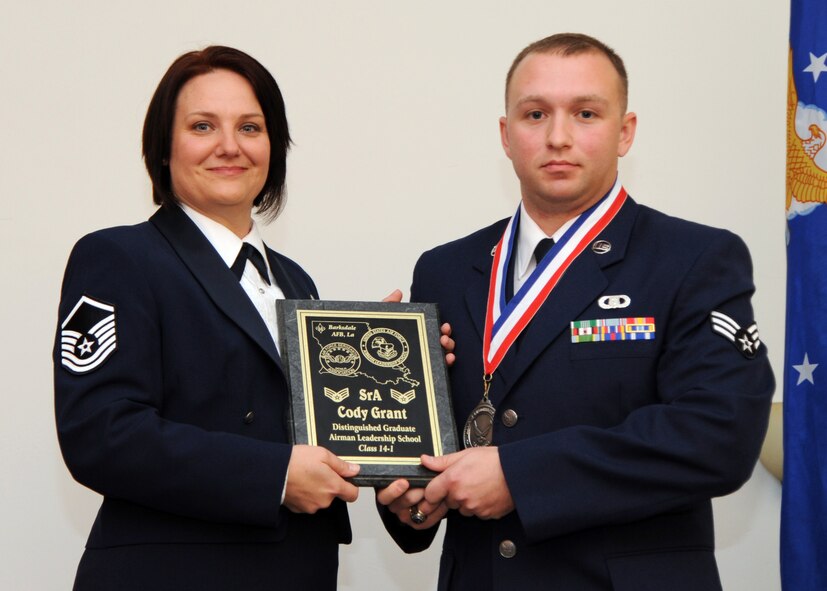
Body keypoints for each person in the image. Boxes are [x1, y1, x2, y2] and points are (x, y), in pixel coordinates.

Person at [377, 33, 774, 590]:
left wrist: (519, 477)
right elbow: (432, 445)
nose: (558, 137)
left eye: (585, 113)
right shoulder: (445, 269)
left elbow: (718, 436)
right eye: (535, 114)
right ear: (506, 135)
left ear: (625, 132)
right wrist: (410, 493)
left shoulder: (694, 258)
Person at [54, 46, 361, 590]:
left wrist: (387, 368)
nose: (229, 146)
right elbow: (101, 434)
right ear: (163, 148)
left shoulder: (296, 282)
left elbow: (310, 427)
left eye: (250, 127)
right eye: (202, 126)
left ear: (273, 148)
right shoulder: (119, 257)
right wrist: (275, 476)